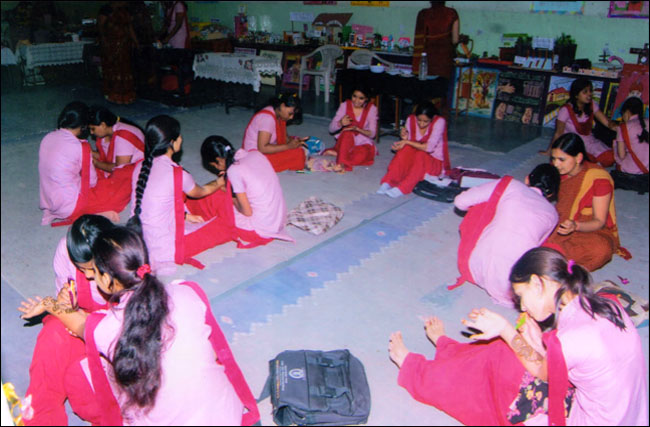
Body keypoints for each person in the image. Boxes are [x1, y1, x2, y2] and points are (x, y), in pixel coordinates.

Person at [19, 226, 260, 425]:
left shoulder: (109, 328)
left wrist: (49, 303)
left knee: (73, 373)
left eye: (93, 272)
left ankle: (38, 413)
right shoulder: (187, 292)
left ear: (106, 278)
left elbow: (78, 323)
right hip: (227, 415)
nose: (89, 277)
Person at [388, 247, 647, 426]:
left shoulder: (573, 339)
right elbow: (575, 366)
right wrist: (534, 344)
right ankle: (448, 349)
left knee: (497, 372)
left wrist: (505, 329)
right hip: (625, 417)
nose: (522, 307)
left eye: (521, 297)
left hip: (583, 419)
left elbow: (545, 374)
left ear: (537, 283)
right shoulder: (606, 305)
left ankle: (418, 370)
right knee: (503, 353)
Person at [19, 215, 114, 426]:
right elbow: (69, 306)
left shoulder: (123, 261)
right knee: (52, 335)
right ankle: (40, 418)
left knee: (89, 395)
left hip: (113, 339)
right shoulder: (66, 251)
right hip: (81, 325)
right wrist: (65, 302)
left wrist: (53, 306)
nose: (87, 276)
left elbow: (117, 332)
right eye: (81, 268)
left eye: (93, 269)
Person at [128, 115, 229, 275]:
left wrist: (185, 216)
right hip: (166, 248)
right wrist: (218, 182)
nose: (181, 138)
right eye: (179, 135)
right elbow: (201, 192)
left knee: (189, 201)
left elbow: (156, 203)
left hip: (140, 240)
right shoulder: (177, 173)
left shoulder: (140, 166)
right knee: (225, 225)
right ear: (171, 142)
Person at [450, 164, 560, 306]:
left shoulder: (511, 185)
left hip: (476, 267)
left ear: (527, 179)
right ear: (551, 194)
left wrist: (489, 208)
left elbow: (460, 202)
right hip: (513, 285)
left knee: (487, 201)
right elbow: (538, 246)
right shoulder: (553, 214)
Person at [545, 133, 630, 271]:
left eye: (561, 159)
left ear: (578, 158)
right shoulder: (555, 171)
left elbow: (599, 221)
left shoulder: (599, 179)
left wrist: (575, 226)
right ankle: (553, 258)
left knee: (601, 250)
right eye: (553, 158)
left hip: (589, 228)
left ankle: (556, 262)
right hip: (561, 221)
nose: (555, 164)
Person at [189, 136, 295, 246]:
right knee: (224, 191)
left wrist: (230, 195)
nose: (215, 168)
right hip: (278, 220)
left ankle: (194, 212)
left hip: (259, 230)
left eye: (214, 165)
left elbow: (247, 212)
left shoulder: (234, 170)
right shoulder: (255, 154)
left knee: (217, 195)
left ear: (219, 160)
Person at [39, 102, 127, 227]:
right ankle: (91, 214)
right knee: (118, 188)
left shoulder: (48, 137)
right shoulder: (81, 147)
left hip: (50, 201)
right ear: (83, 126)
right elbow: (92, 182)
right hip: (70, 207)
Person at [377, 101, 450, 198]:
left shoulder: (439, 122)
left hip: (433, 161)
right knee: (405, 150)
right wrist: (404, 140)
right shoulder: (411, 119)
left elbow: (429, 148)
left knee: (420, 154)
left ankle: (404, 188)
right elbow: (411, 143)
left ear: (432, 118)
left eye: (426, 121)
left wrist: (407, 142)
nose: (421, 124)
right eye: (419, 120)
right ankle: (388, 182)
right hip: (416, 158)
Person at [540, 77, 616, 167]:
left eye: (590, 91)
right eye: (585, 92)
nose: (589, 94)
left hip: (589, 141)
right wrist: (549, 151)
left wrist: (622, 129)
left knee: (611, 157)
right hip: (573, 144)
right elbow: (558, 133)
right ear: (576, 95)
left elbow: (607, 123)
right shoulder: (566, 109)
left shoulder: (592, 105)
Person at [241, 93, 308, 172]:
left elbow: (285, 138)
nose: (291, 117)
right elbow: (262, 148)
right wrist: (288, 146)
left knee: (296, 144)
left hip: (265, 149)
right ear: (282, 106)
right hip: (254, 156)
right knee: (298, 154)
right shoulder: (267, 118)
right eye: (290, 113)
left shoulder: (277, 113)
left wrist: (296, 142)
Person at [324, 85, 378, 171]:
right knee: (347, 134)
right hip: (346, 141)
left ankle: (340, 155)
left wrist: (357, 129)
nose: (356, 101)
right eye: (354, 96)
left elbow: (372, 134)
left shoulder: (372, 109)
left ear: (366, 99)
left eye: (361, 98)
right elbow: (331, 129)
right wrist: (340, 123)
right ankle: (342, 163)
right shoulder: (344, 105)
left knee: (362, 155)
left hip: (362, 142)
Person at [97, 1, 138, 104]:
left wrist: (136, 41)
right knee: (112, 68)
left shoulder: (126, 10)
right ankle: (112, 95)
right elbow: (100, 27)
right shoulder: (106, 9)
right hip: (111, 44)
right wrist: (104, 41)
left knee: (125, 69)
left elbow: (129, 27)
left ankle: (126, 96)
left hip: (124, 45)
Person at [88, 106, 144, 180]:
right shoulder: (105, 135)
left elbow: (120, 169)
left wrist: (96, 163)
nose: (91, 132)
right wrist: (90, 153)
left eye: (93, 129)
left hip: (135, 173)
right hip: (119, 168)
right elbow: (106, 158)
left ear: (103, 125)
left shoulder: (123, 136)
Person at [412, 1, 459, 82]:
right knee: (442, 87)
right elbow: (455, 40)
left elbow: (419, 40)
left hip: (427, 61)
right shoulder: (452, 13)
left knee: (427, 86)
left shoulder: (423, 14)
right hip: (445, 61)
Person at [611, 96, 649, 194]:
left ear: (627, 112)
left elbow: (621, 155)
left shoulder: (623, 127)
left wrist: (615, 145)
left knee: (617, 167)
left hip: (632, 171)